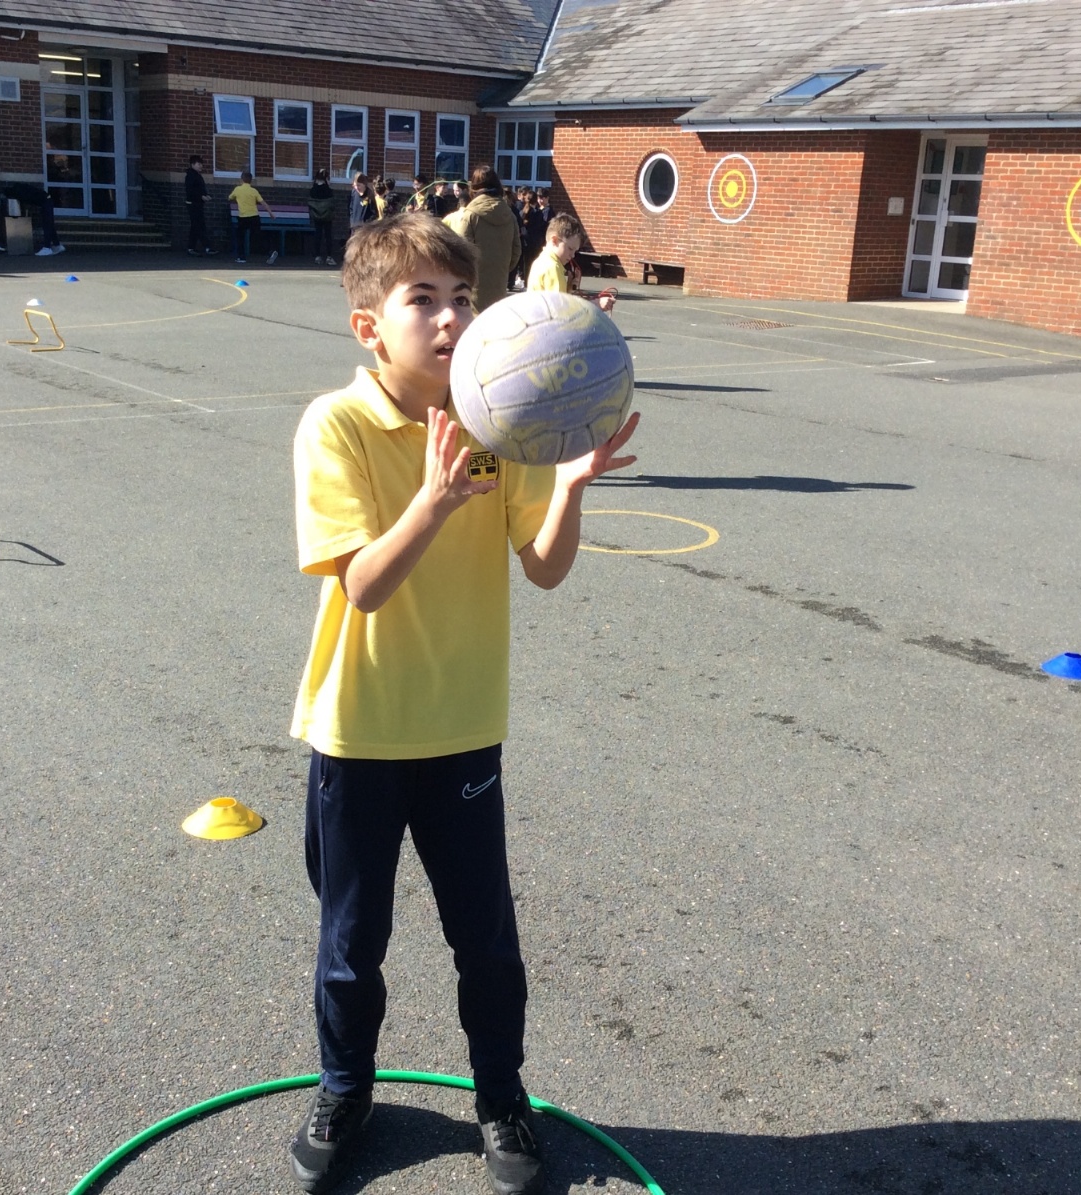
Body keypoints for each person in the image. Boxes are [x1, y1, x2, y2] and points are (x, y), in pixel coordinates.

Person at [286, 211, 639, 1195]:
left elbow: (546, 568)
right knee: (352, 944)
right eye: (424, 300)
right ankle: (344, 1088)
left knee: (485, 940)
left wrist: (570, 485)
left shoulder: (498, 424)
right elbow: (363, 586)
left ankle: (501, 1095)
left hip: (463, 731)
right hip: (361, 732)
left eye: (463, 298)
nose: (451, 318)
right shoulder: (339, 425)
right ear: (370, 327)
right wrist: (435, 498)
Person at [442, 165, 521, 311]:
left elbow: (462, 254)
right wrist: (501, 268)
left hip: (473, 290)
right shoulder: (510, 216)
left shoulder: (470, 215)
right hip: (499, 285)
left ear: (473, 187)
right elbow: (517, 250)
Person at [526, 212, 616, 312]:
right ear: (554, 240)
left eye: (575, 251)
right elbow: (561, 310)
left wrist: (568, 289)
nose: (572, 255)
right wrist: (596, 304)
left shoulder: (542, 261)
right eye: (570, 249)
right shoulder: (553, 267)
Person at [229, 170, 276, 264]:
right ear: (251, 181)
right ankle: (270, 252)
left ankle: (241, 257)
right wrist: (271, 213)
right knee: (258, 236)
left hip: (243, 217)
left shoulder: (237, 189)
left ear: (241, 179)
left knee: (240, 237)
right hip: (254, 216)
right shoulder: (254, 191)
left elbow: (230, 197)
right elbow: (263, 203)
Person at [184, 154, 214, 255]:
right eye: (198, 164)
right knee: (199, 225)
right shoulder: (191, 176)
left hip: (198, 203)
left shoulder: (197, 175)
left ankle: (191, 247)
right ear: (192, 164)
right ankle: (207, 247)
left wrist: (206, 195)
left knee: (195, 226)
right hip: (193, 204)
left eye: (201, 164)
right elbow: (190, 191)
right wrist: (201, 196)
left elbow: (200, 189)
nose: (201, 166)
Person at [307, 167, 337, 266]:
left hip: (316, 215)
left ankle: (317, 256)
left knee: (318, 235)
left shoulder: (313, 190)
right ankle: (329, 256)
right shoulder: (328, 190)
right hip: (327, 216)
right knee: (328, 235)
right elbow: (332, 203)